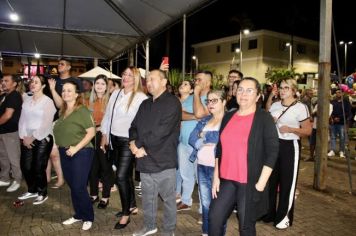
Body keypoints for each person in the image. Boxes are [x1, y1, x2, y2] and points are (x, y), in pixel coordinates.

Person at [208, 78, 279, 235]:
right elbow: (219, 147)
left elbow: (273, 152)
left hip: (250, 182)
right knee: (214, 218)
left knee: (246, 226)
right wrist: (216, 176)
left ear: (258, 96)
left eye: (249, 90)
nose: (243, 94)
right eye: (240, 89)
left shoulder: (263, 118)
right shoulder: (228, 117)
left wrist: (260, 184)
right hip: (226, 179)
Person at [129, 69, 181, 236]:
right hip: (144, 160)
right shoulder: (145, 104)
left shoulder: (172, 103)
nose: (148, 83)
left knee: (168, 200)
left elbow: (161, 132)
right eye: (147, 80)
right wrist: (133, 144)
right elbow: (134, 126)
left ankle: (169, 230)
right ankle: (149, 225)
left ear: (164, 82)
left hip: (163, 160)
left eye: (152, 79)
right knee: (147, 198)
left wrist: (139, 146)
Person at [101, 67, 147, 229]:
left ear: (136, 79)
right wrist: (104, 136)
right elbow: (108, 115)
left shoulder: (141, 97)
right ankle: (132, 205)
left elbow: (142, 123)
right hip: (114, 139)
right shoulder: (116, 93)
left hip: (129, 141)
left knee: (120, 176)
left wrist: (138, 142)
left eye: (130, 75)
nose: (126, 77)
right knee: (126, 176)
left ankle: (126, 213)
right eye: (124, 74)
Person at [263, 77, 312, 229]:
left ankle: (284, 217)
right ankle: (269, 213)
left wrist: (291, 129)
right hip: (274, 145)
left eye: (287, 88)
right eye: (282, 88)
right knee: (271, 182)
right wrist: (271, 96)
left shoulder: (301, 107)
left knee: (287, 183)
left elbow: (308, 130)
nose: (283, 91)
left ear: (293, 90)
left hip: (290, 146)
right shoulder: (276, 105)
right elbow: (267, 110)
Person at [53, 81, 95, 231]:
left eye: (69, 91)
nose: (65, 93)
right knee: (73, 186)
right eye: (64, 90)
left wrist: (76, 148)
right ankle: (78, 214)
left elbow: (91, 132)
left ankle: (88, 216)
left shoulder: (82, 110)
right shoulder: (62, 111)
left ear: (76, 94)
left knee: (79, 186)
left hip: (81, 152)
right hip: (65, 152)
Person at [189, 90, 226, 236]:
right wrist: (205, 138)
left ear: (223, 102)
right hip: (202, 165)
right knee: (205, 203)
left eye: (214, 100)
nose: (210, 104)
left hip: (219, 168)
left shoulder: (228, 120)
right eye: (208, 101)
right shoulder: (205, 120)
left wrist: (203, 135)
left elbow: (221, 138)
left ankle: (218, 233)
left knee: (218, 205)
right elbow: (191, 138)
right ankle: (206, 231)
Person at [18, 75, 56, 204]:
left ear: (43, 86)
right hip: (26, 137)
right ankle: (32, 190)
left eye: (36, 82)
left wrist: (32, 137)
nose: (32, 84)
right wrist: (23, 137)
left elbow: (46, 123)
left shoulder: (48, 101)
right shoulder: (27, 100)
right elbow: (22, 120)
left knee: (39, 167)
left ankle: (42, 192)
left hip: (43, 137)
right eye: (31, 82)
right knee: (26, 166)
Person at [47, 58, 82, 188]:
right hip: (57, 120)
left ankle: (74, 179)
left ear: (68, 67)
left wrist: (53, 90)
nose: (59, 66)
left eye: (62, 64)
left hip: (72, 121)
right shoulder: (54, 81)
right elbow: (54, 105)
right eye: (58, 64)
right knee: (55, 152)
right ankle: (61, 178)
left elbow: (63, 104)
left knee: (70, 151)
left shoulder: (76, 81)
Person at [84, 74, 113, 209]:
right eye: (97, 83)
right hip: (91, 135)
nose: (99, 86)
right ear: (94, 85)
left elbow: (112, 120)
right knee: (92, 167)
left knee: (105, 167)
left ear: (106, 86)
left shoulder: (111, 101)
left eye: (102, 83)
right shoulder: (88, 101)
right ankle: (94, 194)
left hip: (104, 135)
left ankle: (106, 196)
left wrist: (101, 128)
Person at [0, 74, 23, 192]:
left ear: (14, 84)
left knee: (13, 158)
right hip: (2, 131)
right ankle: (4, 178)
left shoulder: (14, 95)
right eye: (2, 80)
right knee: (3, 157)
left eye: (6, 81)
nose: (3, 82)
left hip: (10, 132)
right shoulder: (5, 95)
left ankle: (17, 180)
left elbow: (8, 115)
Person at [328, 88, 351, 158]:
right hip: (333, 122)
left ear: (343, 93)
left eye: (340, 92)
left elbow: (347, 112)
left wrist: (340, 118)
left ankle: (342, 151)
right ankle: (332, 150)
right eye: (337, 92)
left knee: (342, 137)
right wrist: (333, 117)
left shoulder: (346, 103)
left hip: (342, 123)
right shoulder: (332, 102)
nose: (338, 94)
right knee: (333, 137)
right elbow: (330, 111)